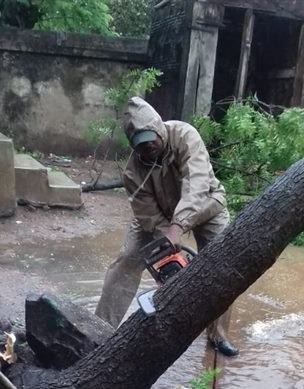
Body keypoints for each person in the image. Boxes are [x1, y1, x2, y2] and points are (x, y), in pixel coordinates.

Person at [96, 96, 239, 357]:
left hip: (206, 203)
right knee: (127, 260)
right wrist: (167, 238)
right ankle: (100, 330)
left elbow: (196, 185)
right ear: (133, 146)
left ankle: (217, 335)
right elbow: (146, 213)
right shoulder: (132, 172)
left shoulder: (186, 136)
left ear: (160, 129)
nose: (148, 148)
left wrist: (178, 227)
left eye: (152, 140)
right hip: (158, 215)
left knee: (223, 263)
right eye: (141, 146)